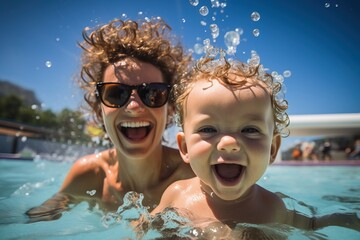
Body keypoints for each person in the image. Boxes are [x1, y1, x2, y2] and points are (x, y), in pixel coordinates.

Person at [151, 54, 360, 232]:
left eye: (249, 130)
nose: (229, 143)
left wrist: (346, 220)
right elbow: (143, 228)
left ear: (273, 149)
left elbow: (313, 225)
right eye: (208, 129)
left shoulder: (272, 209)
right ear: (185, 147)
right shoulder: (176, 196)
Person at [26, 17, 194, 222]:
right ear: (99, 110)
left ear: (170, 109)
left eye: (153, 94)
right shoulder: (89, 175)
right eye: (116, 94)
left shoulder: (193, 174)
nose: (133, 107)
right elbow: (32, 224)